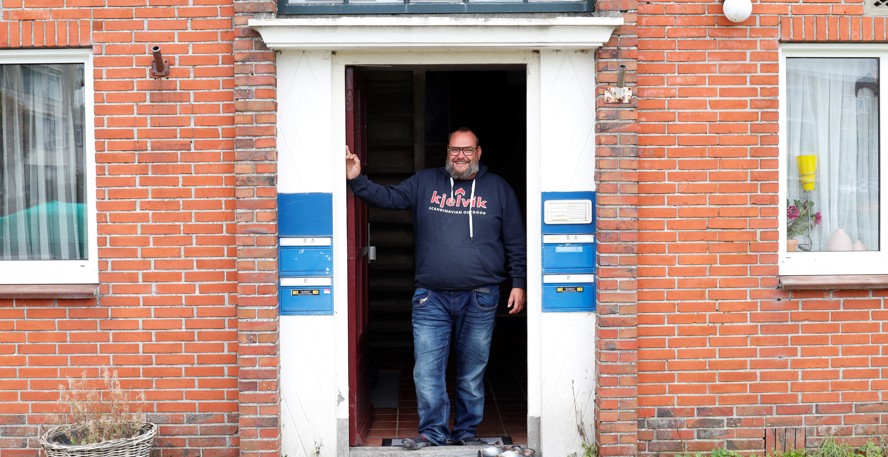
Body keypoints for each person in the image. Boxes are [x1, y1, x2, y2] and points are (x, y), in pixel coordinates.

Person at [345, 127, 527, 449]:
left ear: (479, 152)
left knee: (472, 372)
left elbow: (515, 240)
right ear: (447, 151)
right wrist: (357, 179)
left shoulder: (498, 189)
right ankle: (433, 432)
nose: (460, 156)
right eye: (455, 150)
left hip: (482, 295)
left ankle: (465, 432)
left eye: (467, 150)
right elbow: (387, 198)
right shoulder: (425, 183)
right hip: (431, 296)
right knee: (427, 371)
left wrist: (519, 282)